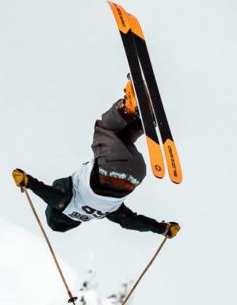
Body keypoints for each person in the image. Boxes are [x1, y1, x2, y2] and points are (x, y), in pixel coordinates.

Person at [13, 97, 181, 237]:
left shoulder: (103, 212)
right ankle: (127, 107)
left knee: (121, 139)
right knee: (104, 129)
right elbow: (53, 197)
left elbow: (130, 221)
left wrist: (162, 229)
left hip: (135, 173)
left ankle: (140, 121)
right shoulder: (68, 207)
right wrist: (29, 182)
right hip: (109, 169)